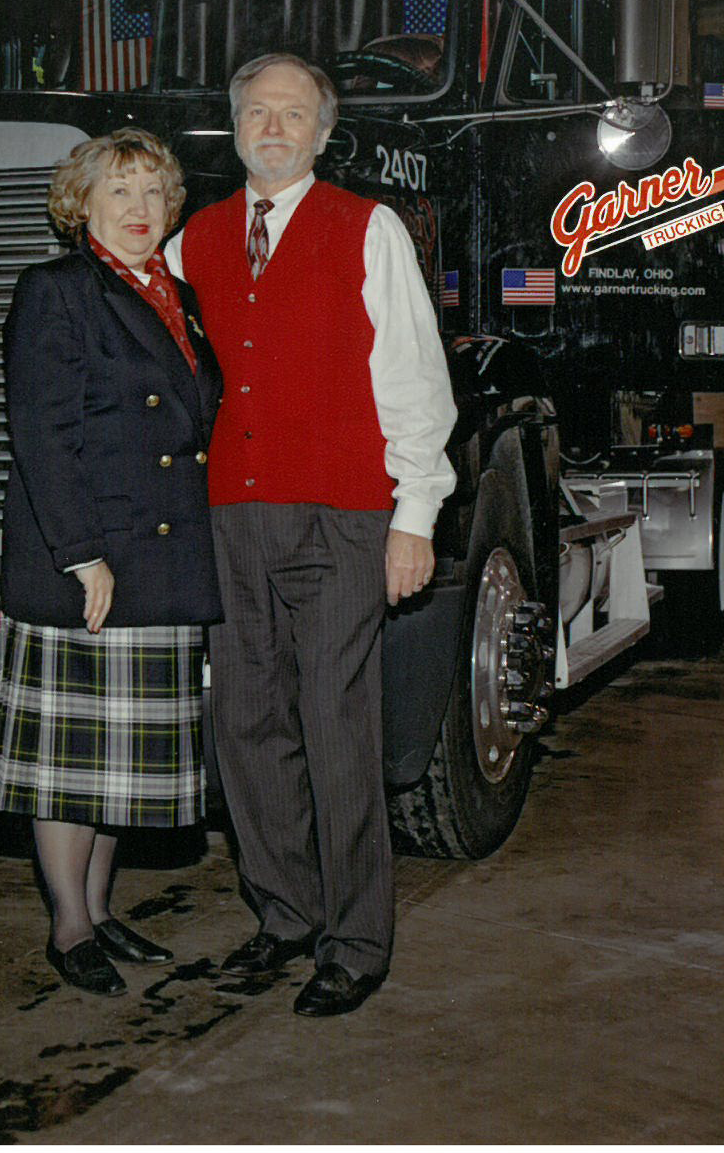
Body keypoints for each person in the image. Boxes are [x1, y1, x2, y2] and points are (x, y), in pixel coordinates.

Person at [164, 53, 457, 1017]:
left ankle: (356, 939)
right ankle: (284, 915)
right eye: (257, 111)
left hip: (342, 514)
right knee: (245, 725)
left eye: (294, 114)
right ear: (234, 123)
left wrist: (415, 517)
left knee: (336, 722)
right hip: (230, 516)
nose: (275, 128)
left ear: (324, 134)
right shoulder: (195, 238)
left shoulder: (366, 229)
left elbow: (415, 379)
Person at [0, 128, 223, 997]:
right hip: (86, 564)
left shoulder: (180, 297)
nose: (139, 211)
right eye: (119, 193)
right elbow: (41, 436)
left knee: (117, 763)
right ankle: (69, 925)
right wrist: (82, 557)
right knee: (68, 762)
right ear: (80, 205)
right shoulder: (56, 291)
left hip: (160, 564)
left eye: (154, 194)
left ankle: (99, 904)